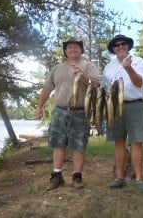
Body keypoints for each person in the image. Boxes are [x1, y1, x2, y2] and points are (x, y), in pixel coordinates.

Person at [35, 37, 99, 190]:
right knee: (58, 144)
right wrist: (39, 106)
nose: (72, 49)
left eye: (76, 47)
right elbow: (47, 88)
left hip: (81, 111)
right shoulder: (57, 68)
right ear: (65, 51)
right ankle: (57, 177)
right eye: (69, 47)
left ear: (81, 50)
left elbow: (96, 84)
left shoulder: (89, 65)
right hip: (60, 111)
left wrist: (81, 75)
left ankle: (77, 177)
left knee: (79, 145)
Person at [101, 34, 143, 193]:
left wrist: (128, 68)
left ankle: (139, 179)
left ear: (128, 46)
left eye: (123, 44)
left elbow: (139, 83)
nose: (120, 46)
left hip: (135, 105)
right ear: (113, 49)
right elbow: (104, 88)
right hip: (114, 107)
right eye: (117, 45)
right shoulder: (108, 67)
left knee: (137, 142)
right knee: (119, 142)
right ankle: (119, 178)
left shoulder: (138, 61)